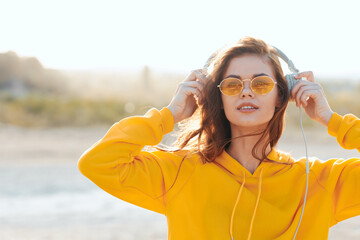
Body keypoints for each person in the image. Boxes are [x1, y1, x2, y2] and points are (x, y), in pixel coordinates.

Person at [78, 37, 360, 240]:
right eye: (232, 84)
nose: (246, 92)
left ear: (280, 96)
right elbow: (98, 162)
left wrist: (331, 119)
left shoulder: (316, 181)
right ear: (218, 97)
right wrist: (170, 113)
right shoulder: (181, 172)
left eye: (261, 83)